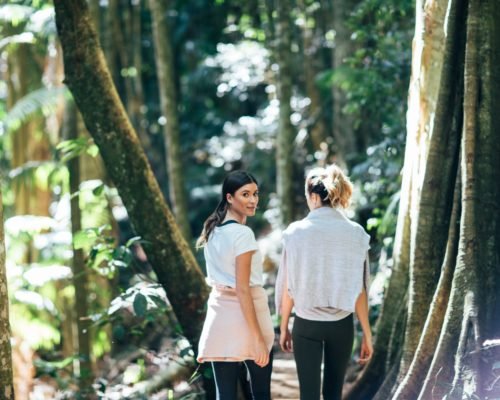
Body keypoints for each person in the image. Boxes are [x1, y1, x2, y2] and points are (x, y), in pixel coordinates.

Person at [275, 164, 373, 400]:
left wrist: (284, 325)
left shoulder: (296, 232)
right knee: (333, 394)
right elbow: (359, 290)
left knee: (308, 395)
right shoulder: (356, 233)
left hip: (306, 324)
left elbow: (289, 285)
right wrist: (366, 334)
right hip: (341, 326)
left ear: (315, 196)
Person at [196, 170, 274, 400]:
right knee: (260, 393)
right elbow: (242, 288)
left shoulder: (211, 231)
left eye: (255, 194)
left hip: (220, 317)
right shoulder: (243, 234)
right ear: (229, 198)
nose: (253, 200)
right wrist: (258, 338)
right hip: (250, 315)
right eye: (245, 194)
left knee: (225, 395)